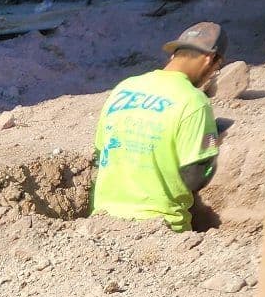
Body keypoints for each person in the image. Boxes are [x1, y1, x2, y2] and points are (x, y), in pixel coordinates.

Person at [91, 21, 226, 232]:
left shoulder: (123, 88)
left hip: (104, 224)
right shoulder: (193, 101)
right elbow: (194, 178)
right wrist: (212, 148)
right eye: (216, 69)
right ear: (209, 59)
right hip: (160, 228)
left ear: (174, 55)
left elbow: (100, 154)